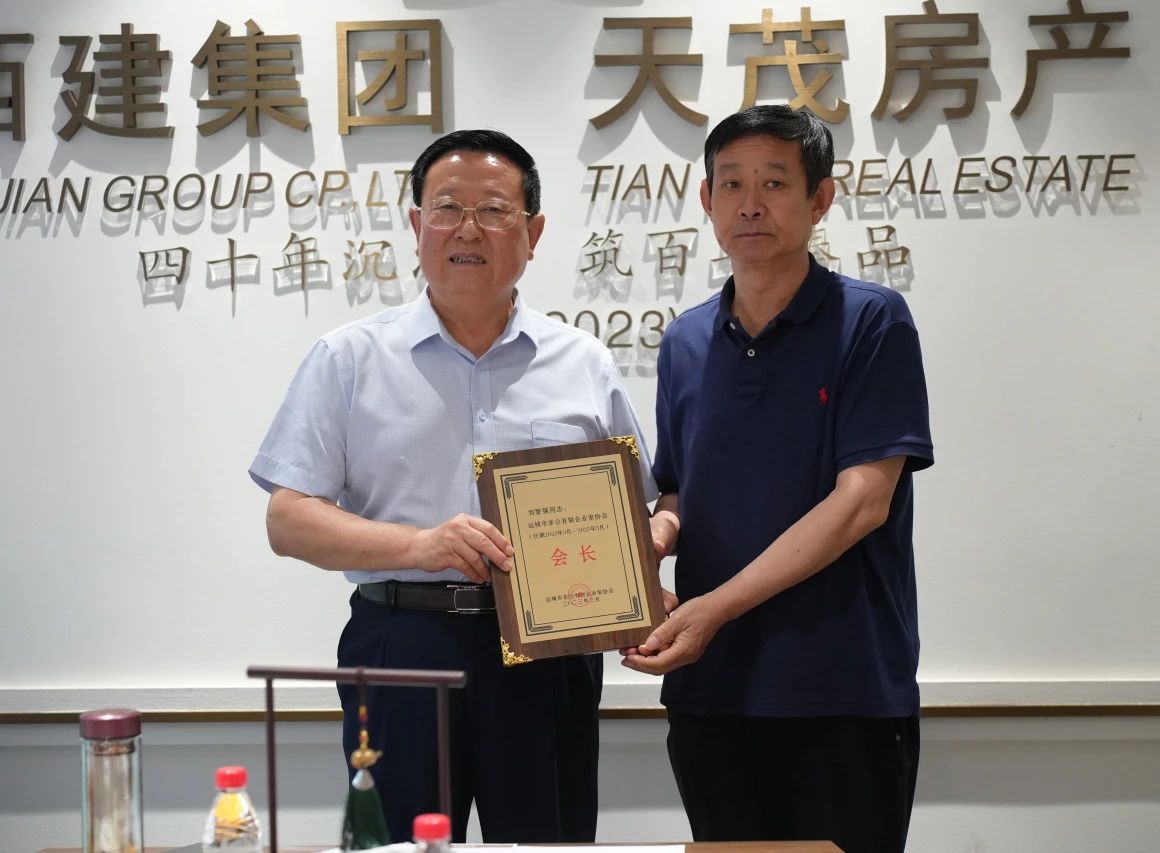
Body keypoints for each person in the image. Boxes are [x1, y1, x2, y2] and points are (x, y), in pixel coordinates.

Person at [250, 129, 656, 844]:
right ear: (416, 225)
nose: (468, 229)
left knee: (546, 842)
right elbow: (288, 519)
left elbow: (628, 513)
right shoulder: (349, 358)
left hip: (547, 653)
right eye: (447, 208)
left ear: (533, 232)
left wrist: (637, 588)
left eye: (494, 210)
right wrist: (422, 545)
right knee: (400, 842)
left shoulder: (583, 362)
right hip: (402, 643)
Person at [624, 105, 934, 853]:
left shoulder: (872, 321)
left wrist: (713, 609)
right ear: (707, 200)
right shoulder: (685, 340)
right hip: (712, 691)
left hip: (841, 687)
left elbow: (861, 504)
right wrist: (651, 540)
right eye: (731, 184)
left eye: (773, 183)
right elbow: (680, 489)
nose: (750, 204)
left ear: (819, 199)